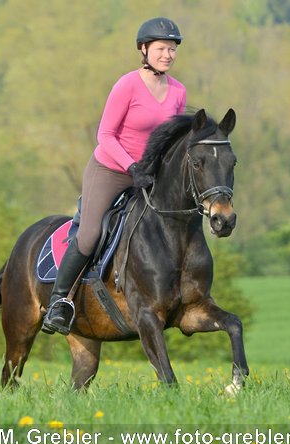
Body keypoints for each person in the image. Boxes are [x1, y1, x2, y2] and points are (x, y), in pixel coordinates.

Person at [41, 17, 187, 335]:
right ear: (144, 49)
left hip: (148, 176)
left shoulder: (178, 92)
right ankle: (58, 302)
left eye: (172, 49)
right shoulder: (127, 85)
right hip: (109, 170)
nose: (168, 54)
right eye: (162, 48)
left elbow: (171, 141)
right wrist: (131, 167)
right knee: (90, 233)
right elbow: (105, 135)